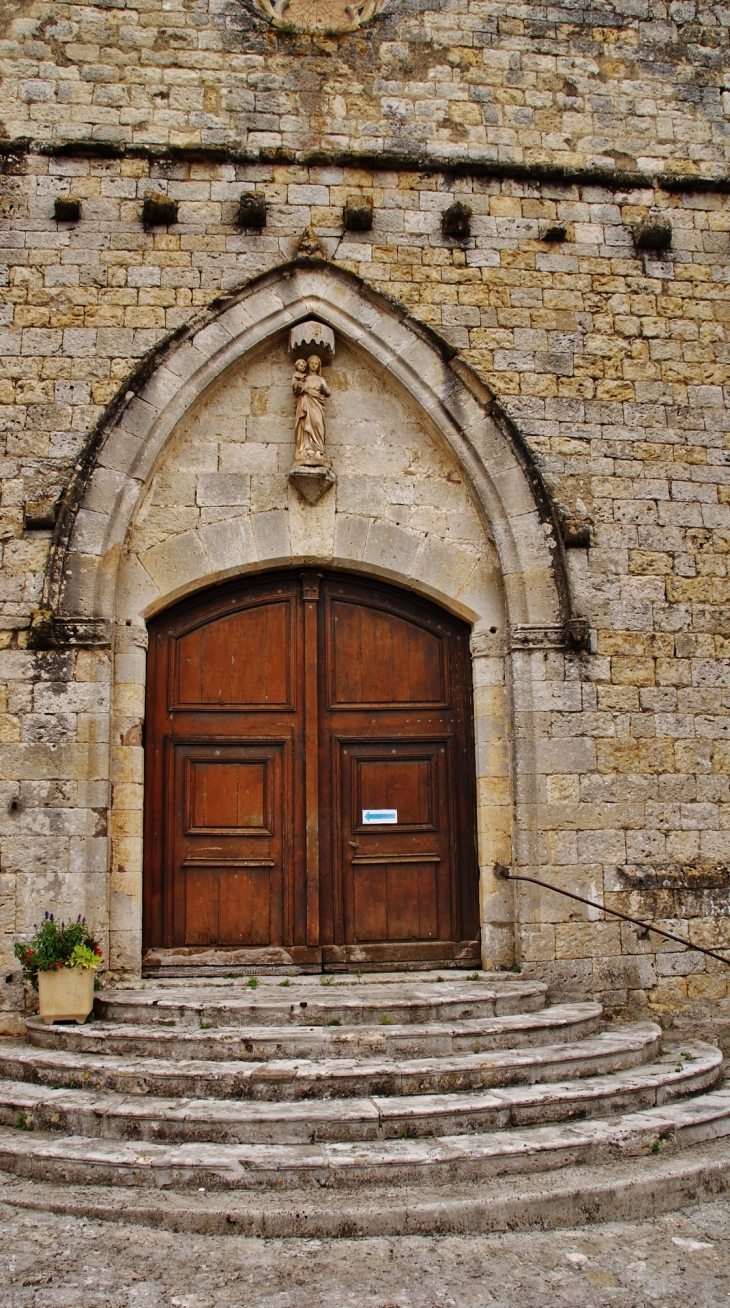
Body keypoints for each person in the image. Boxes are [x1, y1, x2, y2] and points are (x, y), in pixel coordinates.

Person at [292, 354, 331, 466]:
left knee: (317, 424)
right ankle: (306, 449)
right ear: (308, 364)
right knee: (305, 424)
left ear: (318, 366)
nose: (313, 365)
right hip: (305, 403)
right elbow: (296, 388)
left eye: (316, 364)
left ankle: (318, 449)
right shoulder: (303, 378)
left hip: (317, 404)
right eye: (312, 363)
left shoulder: (321, 379)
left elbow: (328, 393)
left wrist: (322, 387)